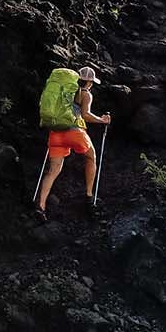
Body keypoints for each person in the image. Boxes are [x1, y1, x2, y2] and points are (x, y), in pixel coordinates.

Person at [35, 65, 111, 218]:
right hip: (75, 132)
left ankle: (40, 206)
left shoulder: (65, 91)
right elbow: (86, 115)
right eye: (92, 83)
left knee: (53, 170)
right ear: (89, 82)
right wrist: (102, 120)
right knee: (91, 157)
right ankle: (89, 196)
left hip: (56, 132)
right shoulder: (86, 94)